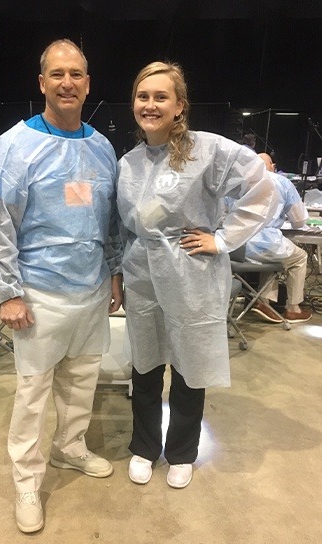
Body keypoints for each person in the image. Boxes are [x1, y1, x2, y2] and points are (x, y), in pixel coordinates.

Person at [0, 39, 123, 534]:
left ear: (88, 83)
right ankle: (26, 479)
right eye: (58, 74)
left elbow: (110, 221)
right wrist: (8, 291)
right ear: (42, 83)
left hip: (90, 289)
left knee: (82, 382)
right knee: (32, 392)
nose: (68, 82)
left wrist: (115, 272)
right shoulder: (15, 146)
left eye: (77, 74)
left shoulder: (101, 147)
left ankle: (69, 447)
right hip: (38, 292)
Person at [116, 61, 278, 489]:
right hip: (142, 271)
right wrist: (117, 270)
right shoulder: (128, 162)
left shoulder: (208, 150)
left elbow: (262, 186)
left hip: (191, 271)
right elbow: (118, 225)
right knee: (146, 364)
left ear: (179, 105)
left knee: (189, 364)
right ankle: (144, 447)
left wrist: (222, 239)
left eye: (160, 97)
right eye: (143, 96)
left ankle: (182, 451)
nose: (150, 105)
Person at [246, 152, 312, 323]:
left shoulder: (241, 180)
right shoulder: (282, 182)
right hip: (266, 243)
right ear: (272, 166)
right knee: (299, 258)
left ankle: (263, 302)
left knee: (273, 259)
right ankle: (293, 309)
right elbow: (299, 221)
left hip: (236, 247)